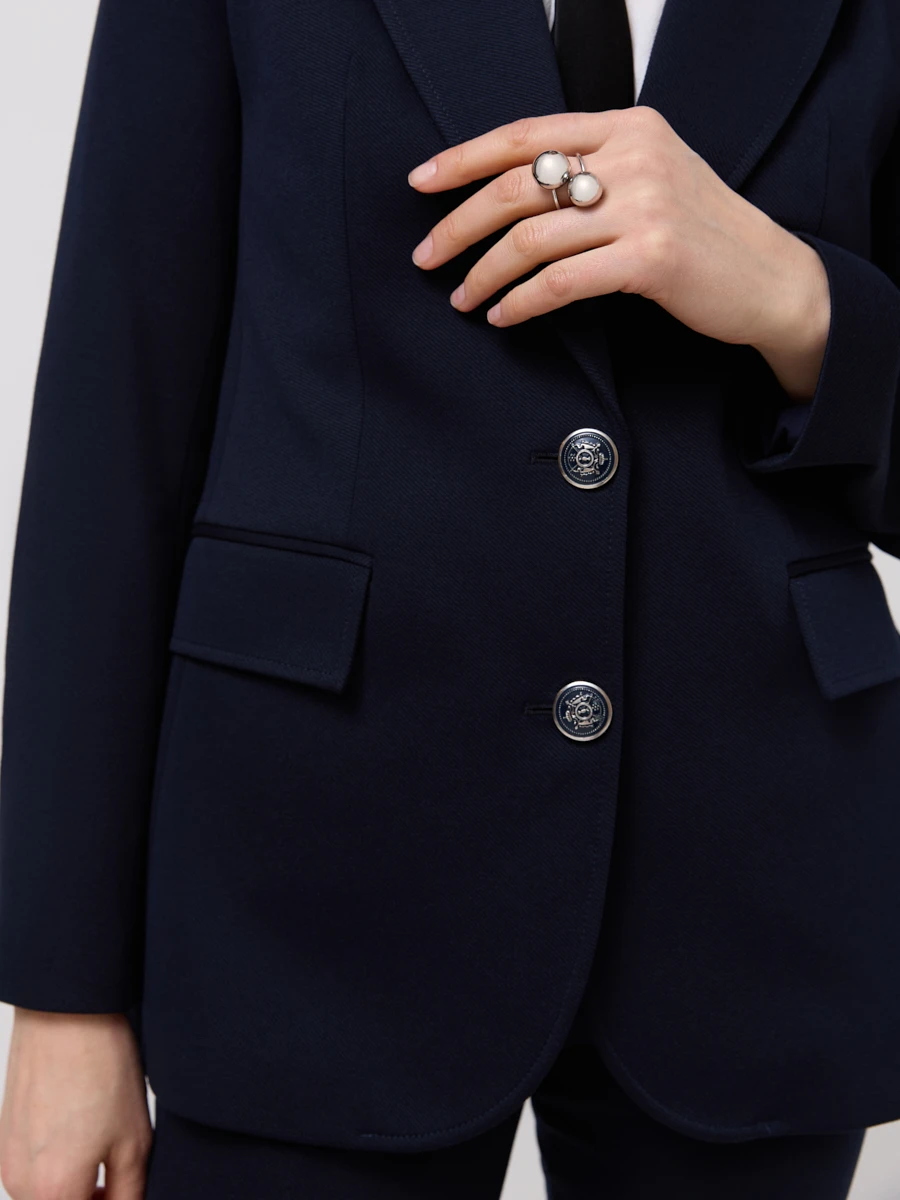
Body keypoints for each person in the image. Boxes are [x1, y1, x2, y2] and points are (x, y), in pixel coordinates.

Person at [0, 0, 899, 1194]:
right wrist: (65, 998)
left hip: (753, 888)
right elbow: (120, 410)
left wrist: (801, 302)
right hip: (303, 884)